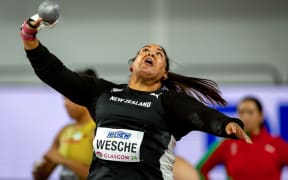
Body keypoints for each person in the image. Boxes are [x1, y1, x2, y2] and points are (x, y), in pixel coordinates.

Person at [20, 17, 251, 180]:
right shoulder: (102, 92)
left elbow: (201, 114)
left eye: (158, 54)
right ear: (133, 66)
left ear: (164, 73)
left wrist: (227, 124)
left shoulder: (167, 101)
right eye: (145, 51)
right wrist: (30, 39)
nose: (151, 53)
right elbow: (56, 74)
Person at [197, 96, 288, 180]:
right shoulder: (227, 144)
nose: (245, 117)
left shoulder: (276, 144)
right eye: (241, 112)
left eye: (250, 112)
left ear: (261, 116)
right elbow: (200, 169)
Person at [32, 69, 97, 180]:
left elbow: (102, 176)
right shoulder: (64, 131)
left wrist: (63, 160)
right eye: (64, 97)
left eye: (69, 97)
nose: (65, 103)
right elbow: (42, 174)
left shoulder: (97, 130)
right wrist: (40, 169)